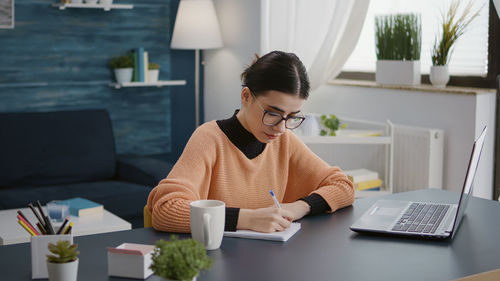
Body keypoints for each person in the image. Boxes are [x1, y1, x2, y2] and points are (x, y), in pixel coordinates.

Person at [147, 51, 354, 233]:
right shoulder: (209, 138)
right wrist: (247, 219)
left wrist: (298, 207)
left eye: (292, 116)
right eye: (273, 113)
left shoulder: (285, 142)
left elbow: (343, 186)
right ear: (246, 96)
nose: (281, 128)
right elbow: (166, 210)